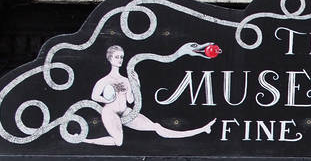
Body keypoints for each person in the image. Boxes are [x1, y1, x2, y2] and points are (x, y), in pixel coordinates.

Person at [84, 44, 214, 146]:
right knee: (118, 142)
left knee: (156, 127)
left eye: (121, 57)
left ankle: (200, 130)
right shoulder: (104, 80)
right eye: (117, 57)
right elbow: (94, 96)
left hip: (126, 112)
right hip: (110, 112)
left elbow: (130, 99)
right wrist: (108, 99)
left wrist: (137, 83)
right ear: (110, 58)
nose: (120, 60)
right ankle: (85, 140)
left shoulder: (125, 80)